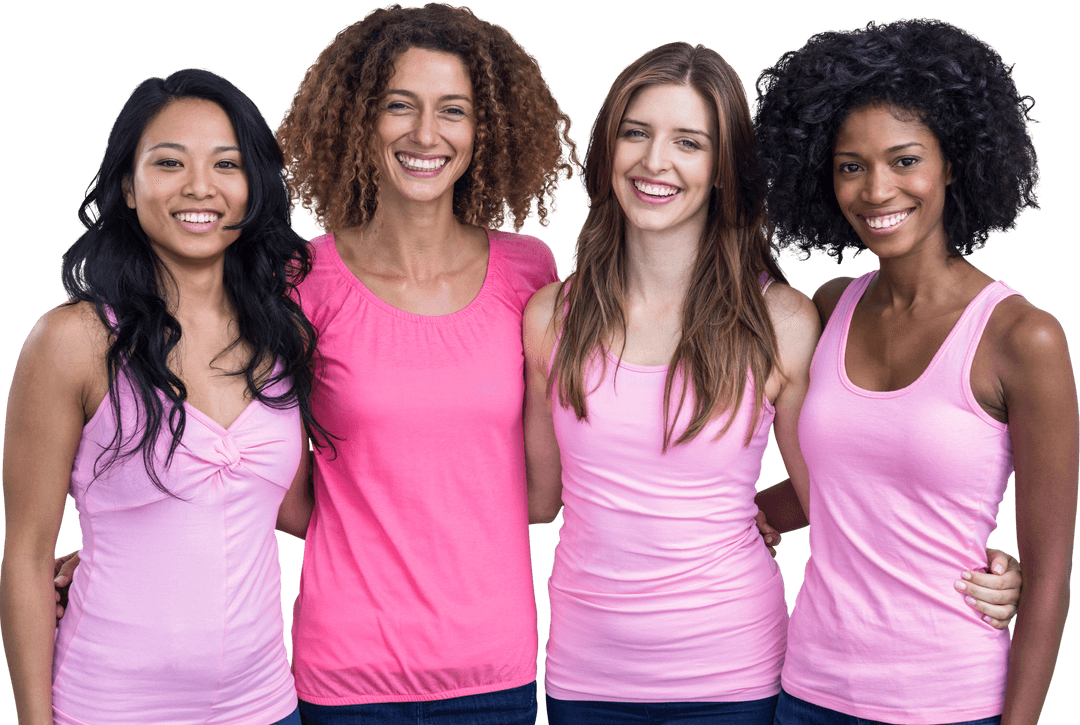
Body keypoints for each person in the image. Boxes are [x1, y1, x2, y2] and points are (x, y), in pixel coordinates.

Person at [522, 41, 1021, 725]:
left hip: (736, 675)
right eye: (635, 133)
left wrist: (975, 560)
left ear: (724, 170)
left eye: (689, 142)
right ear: (607, 146)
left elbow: (841, 496)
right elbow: (535, 497)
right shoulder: (551, 316)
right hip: (584, 673)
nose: (654, 160)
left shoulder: (779, 321)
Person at [752, 18, 1077, 725]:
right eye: (850, 166)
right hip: (808, 691)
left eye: (905, 160)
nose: (876, 191)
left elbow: (1049, 576)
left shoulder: (1024, 337)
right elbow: (836, 490)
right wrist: (728, 511)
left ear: (952, 163)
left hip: (950, 701)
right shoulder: (831, 308)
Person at [273, 4, 577, 722]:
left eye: (454, 111)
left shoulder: (530, 272)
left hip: (491, 671)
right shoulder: (302, 280)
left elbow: (542, 494)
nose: (425, 135)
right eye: (398, 107)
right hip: (344, 675)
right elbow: (282, 495)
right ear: (357, 119)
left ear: (485, 130)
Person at [0, 68, 320, 725]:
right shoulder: (71, 341)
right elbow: (27, 554)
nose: (199, 187)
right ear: (127, 182)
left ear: (255, 186)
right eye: (168, 161)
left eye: (226, 164)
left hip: (265, 706)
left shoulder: (285, 336)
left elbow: (302, 512)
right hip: (109, 708)